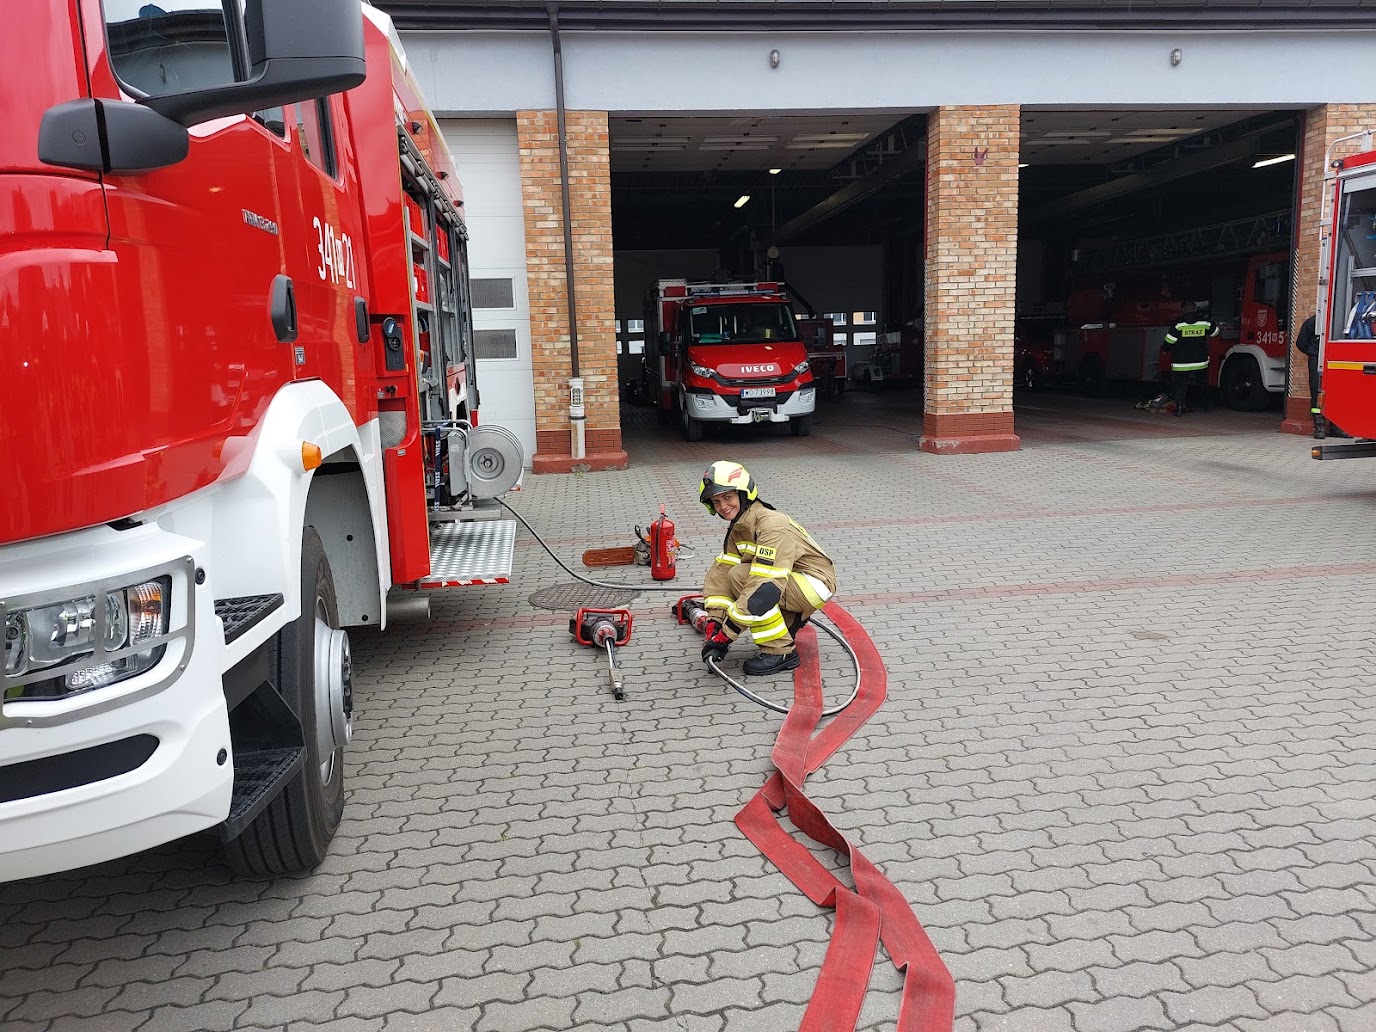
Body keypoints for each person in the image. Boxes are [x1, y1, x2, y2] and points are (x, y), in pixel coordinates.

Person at [696, 461, 837, 676]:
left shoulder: (771, 524)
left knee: (743, 579)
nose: (723, 506)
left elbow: (765, 588)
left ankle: (780, 652)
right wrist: (714, 625)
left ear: (743, 494)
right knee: (734, 575)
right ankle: (788, 621)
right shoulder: (739, 527)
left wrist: (725, 636)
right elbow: (721, 575)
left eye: (727, 497)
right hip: (792, 580)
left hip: (814, 582)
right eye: (716, 501)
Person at [1163, 301, 1220, 417]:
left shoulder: (1178, 324)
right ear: (1195, 309)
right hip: (1200, 361)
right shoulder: (1204, 322)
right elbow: (1216, 332)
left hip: (1181, 362)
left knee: (1180, 386)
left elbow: (1169, 341)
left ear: (1183, 310)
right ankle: (1206, 407)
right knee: (1203, 384)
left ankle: (1179, 409)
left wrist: (1165, 349)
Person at [1294, 313, 1325, 438]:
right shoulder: (1312, 322)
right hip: (1316, 359)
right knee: (1316, 392)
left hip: (1331, 359)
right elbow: (1301, 343)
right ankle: (1319, 425)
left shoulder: (1335, 321)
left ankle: (1335, 426)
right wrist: (1313, 353)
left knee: (1334, 393)